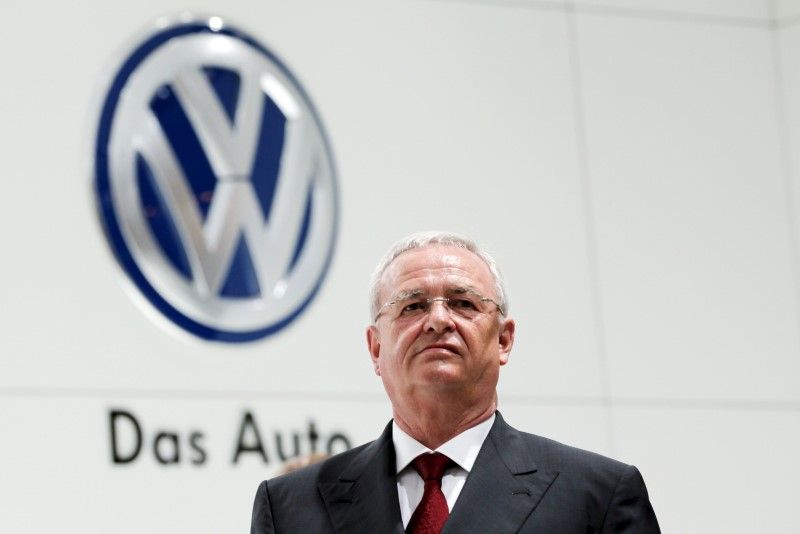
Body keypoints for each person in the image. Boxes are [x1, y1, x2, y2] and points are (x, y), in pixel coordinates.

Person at [251, 231, 660, 533]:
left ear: (503, 340)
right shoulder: (289, 507)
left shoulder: (597, 496)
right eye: (412, 306)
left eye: (463, 303)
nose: (438, 320)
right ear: (376, 348)